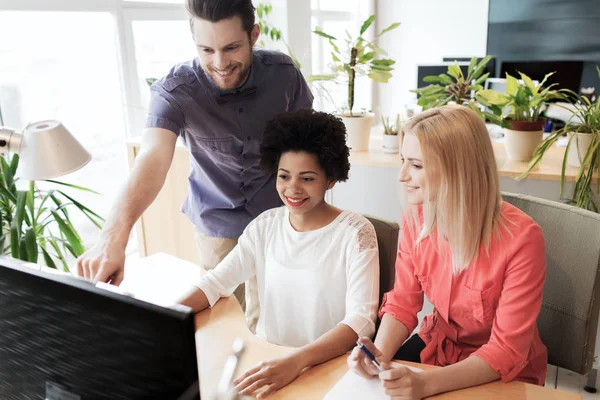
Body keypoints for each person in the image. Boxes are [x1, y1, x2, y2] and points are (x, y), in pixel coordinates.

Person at [75, 0, 312, 314]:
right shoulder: (175, 91)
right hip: (220, 227)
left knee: (288, 312)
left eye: (231, 48)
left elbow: (307, 141)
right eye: (206, 50)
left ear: (253, 35)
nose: (220, 62)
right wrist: (114, 238)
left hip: (283, 218)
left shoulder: (283, 75)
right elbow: (152, 158)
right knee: (231, 319)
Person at [348, 105, 547, 399]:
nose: (402, 175)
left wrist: (425, 384)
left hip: (502, 369)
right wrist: (379, 353)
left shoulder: (522, 239)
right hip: (438, 347)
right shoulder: (415, 220)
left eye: (416, 165)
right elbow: (403, 303)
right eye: (403, 160)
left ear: (458, 169)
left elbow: (506, 350)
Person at [178, 109, 380, 399]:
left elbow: (360, 321)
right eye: (284, 176)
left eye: (307, 178)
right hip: (267, 361)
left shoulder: (355, 233)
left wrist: (297, 361)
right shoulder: (265, 226)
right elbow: (216, 283)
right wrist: (164, 316)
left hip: (326, 368)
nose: (292, 189)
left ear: (331, 179)